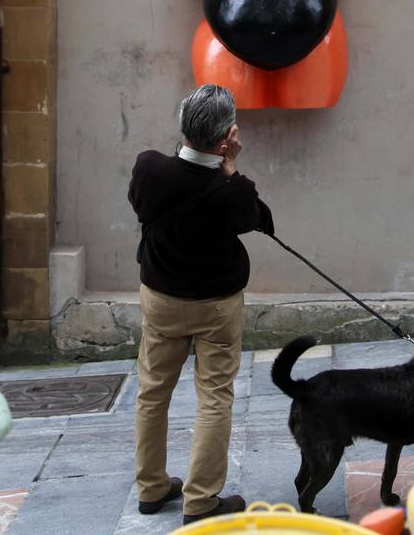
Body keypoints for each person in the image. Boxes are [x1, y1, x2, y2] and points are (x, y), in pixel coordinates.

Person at [127, 84, 273, 524]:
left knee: (152, 392)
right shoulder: (230, 191)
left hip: (162, 300)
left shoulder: (149, 168)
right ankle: (201, 500)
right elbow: (257, 218)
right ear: (228, 135)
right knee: (214, 397)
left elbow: (140, 203)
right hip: (216, 305)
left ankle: (151, 488)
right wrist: (231, 168)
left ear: (183, 124)